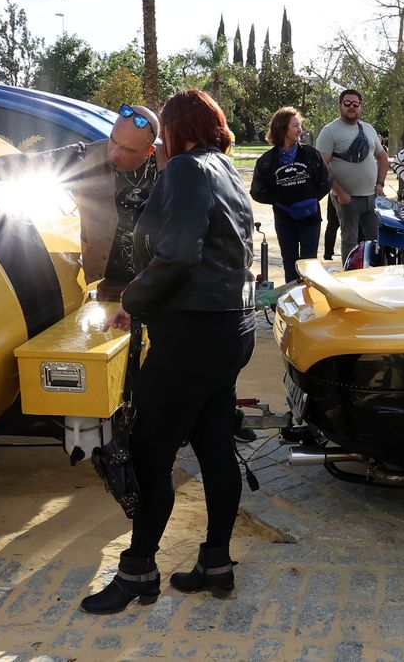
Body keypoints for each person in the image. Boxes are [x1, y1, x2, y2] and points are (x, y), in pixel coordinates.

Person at [81, 89, 257, 614]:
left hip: (191, 336)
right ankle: (216, 564)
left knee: (149, 455)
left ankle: (137, 573)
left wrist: (134, 298)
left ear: (176, 132)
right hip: (230, 330)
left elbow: (180, 252)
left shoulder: (185, 169)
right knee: (214, 448)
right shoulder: (227, 170)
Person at [0, 102, 160, 300]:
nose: (114, 153)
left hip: (156, 289)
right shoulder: (89, 157)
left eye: (127, 150)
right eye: (113, 140)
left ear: (148, 151)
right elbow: (37, 162)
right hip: (110, 289)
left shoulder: (169, 169)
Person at [250, 106, 331, 283]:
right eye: (295, 125)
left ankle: (310, 307)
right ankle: (293, 305)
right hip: (284, 220)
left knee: (308, 265)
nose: (299, 129)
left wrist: (309, 199)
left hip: (310, 219)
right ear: (282, 128)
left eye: (300, 125)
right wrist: (280, 201)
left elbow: (326, 181)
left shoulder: (310, 154)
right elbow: (256, 191)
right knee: (290, 265)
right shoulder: (267, 161)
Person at [316, 89, 391, 259]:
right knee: (350, 241)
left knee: (376, 240)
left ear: (360, 107)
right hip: (346, 199)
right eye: (347, 103)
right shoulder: (329, 131)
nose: (351, 107)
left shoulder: (369, 129)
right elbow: (322, 166)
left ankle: (376, 274)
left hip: (371, 197)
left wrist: (380, 183)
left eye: (355, 104)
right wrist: (341, 193)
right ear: (339, 106)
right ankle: (350, 277)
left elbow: (383, 157)